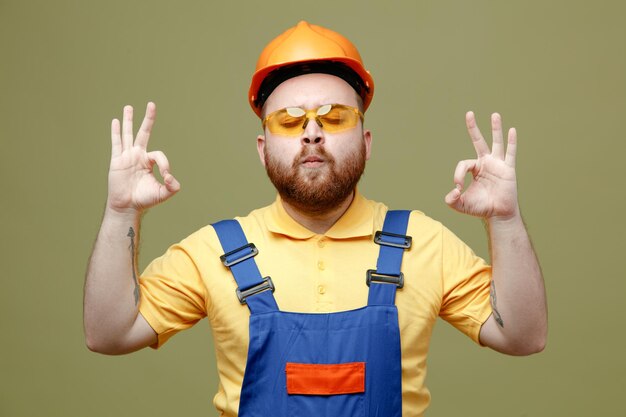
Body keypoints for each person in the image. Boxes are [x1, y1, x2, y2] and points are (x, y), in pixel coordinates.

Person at [84, 21, 547, 417]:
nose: (311, 133)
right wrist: (120, 211)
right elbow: (108, 334)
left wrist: (504, 219)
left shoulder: (424, 242)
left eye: (335, 117)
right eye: (288, 120)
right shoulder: (213, 252)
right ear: (263, 148)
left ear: (366, 142)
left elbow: (524, 337)